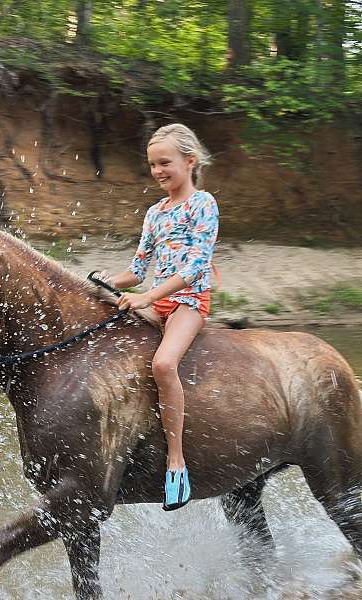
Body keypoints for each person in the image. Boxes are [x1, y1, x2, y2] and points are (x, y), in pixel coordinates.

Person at [103, 123, 219, 511]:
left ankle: (176, 462)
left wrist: (147, 297)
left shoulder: (203, 204)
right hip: (156, 301)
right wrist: (104, 281)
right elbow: (136, 270)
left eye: (165, 162)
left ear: (190, 161)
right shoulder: (155, 212)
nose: (158, 171)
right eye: (153, 165)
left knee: (164, 364)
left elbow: (195, 266)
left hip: (188, 301)